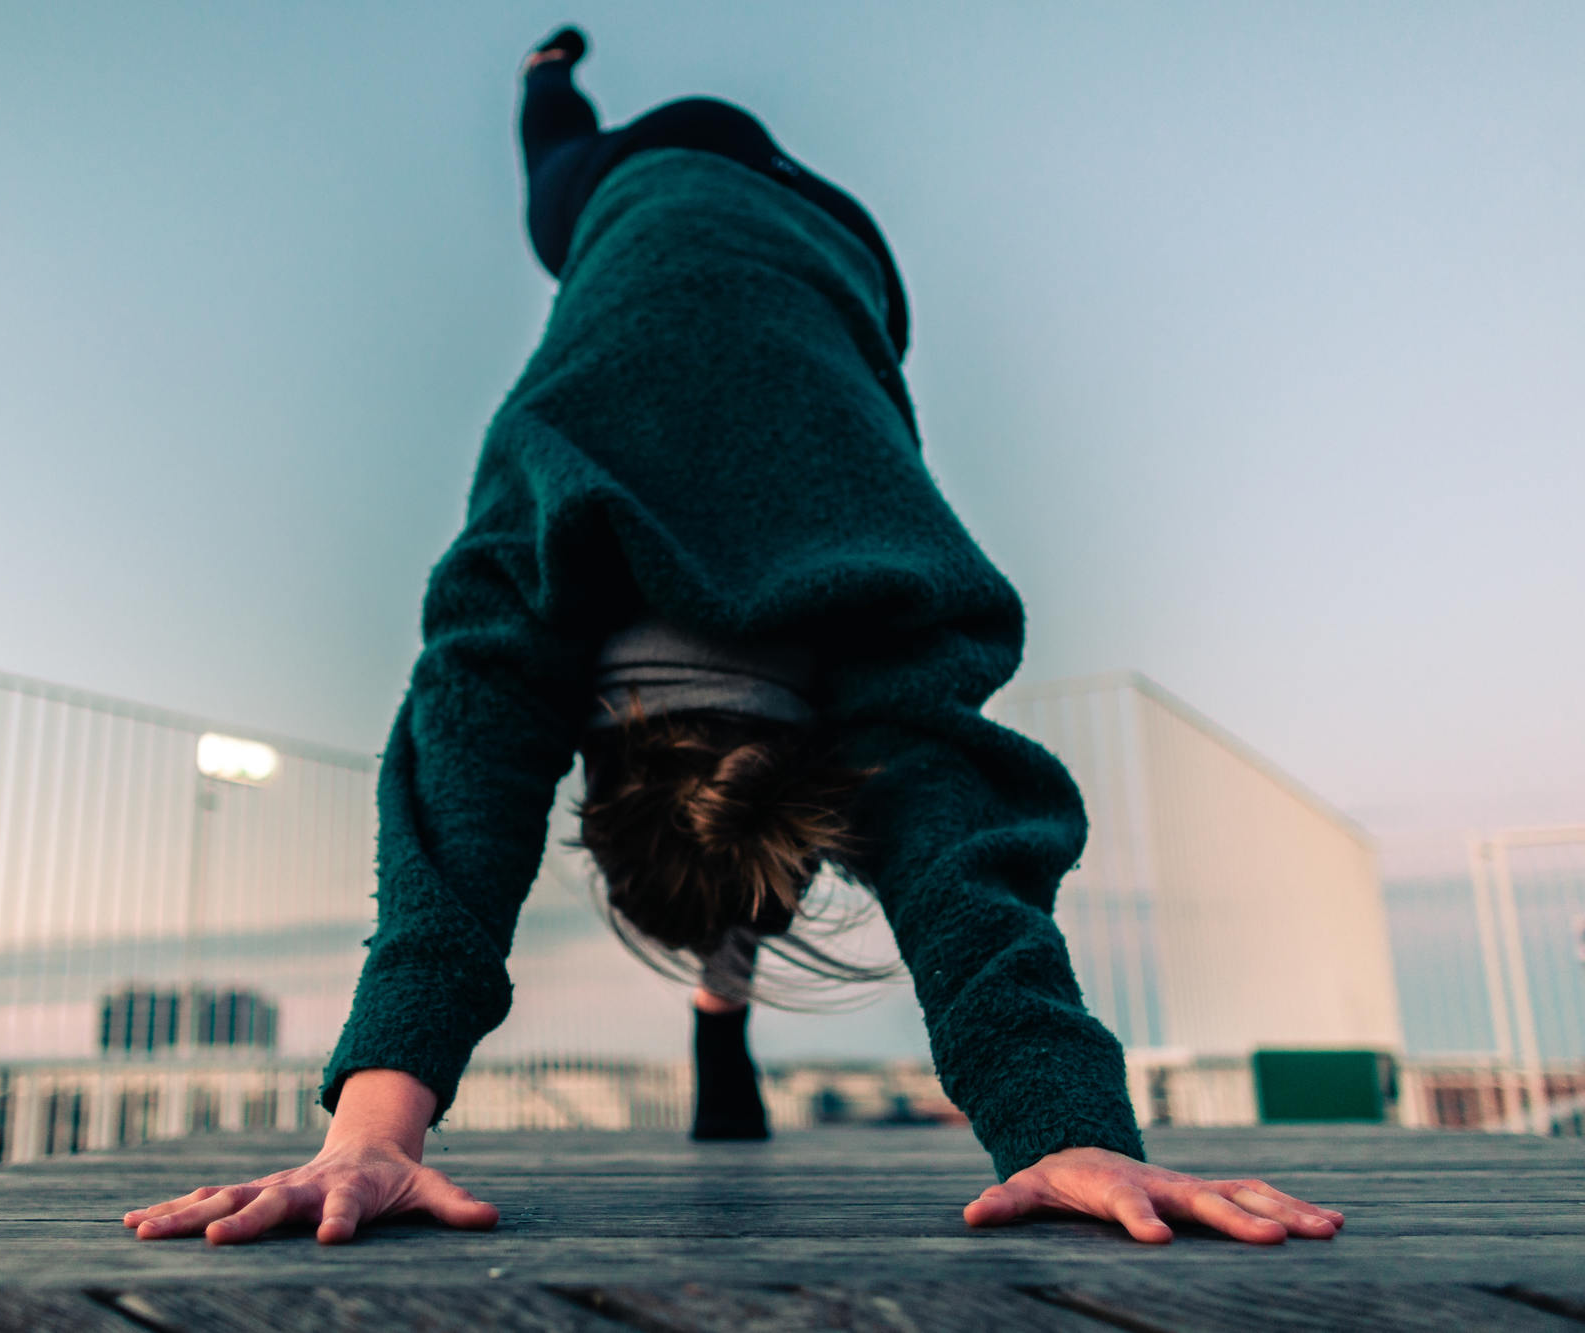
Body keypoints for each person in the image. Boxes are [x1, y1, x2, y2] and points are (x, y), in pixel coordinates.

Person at [125, 26, 1346, 1250]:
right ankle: (547, 78)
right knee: (553, 158)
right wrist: (1059, 1124)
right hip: (684, 211)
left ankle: (545, 79)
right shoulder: (554, 513)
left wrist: (375, 1135)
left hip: (830, 256)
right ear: (588, 759)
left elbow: (937, 839)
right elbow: (470, 808)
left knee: (554, 154)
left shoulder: (867, 563)